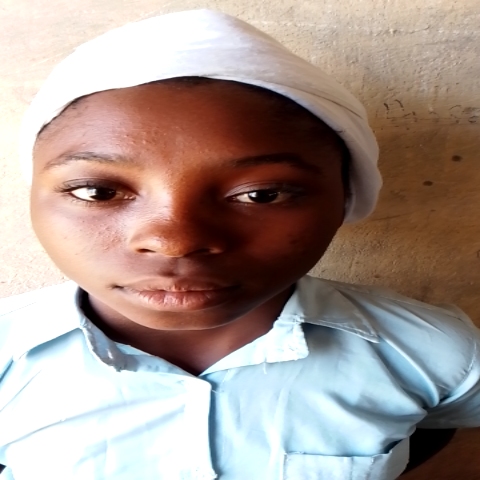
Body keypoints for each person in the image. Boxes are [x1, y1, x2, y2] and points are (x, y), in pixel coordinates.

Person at [1, 9, 479, 480]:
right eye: (97, 192)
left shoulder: (433, 352)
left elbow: (432, 431)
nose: (175, 241)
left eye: (261, 195)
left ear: (346, 197)